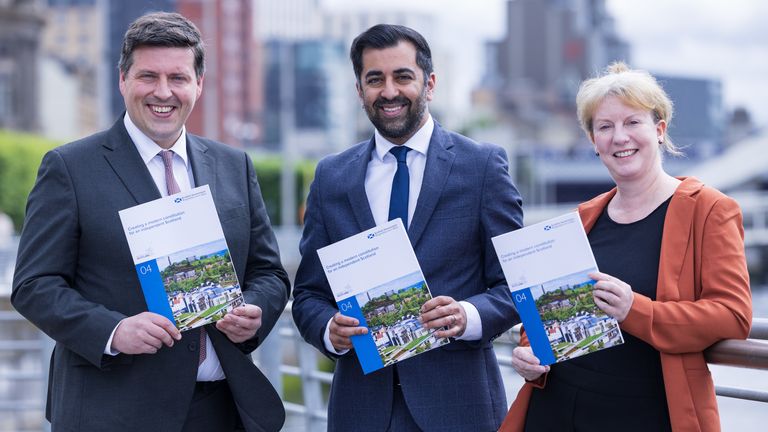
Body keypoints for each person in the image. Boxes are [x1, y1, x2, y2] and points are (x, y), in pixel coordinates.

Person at [12, 12, 289, 432]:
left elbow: (268, 272)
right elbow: (34, 285)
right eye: (148, 77)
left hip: (220, 410)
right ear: (123, 80)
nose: (163, 92)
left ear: (198, 83)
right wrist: (113, 330)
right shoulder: (69, 167)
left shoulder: (234, 165)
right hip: (113, 410)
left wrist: (256, 309)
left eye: (177, 78)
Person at [291, 24, 524, 432]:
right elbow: (309, 292)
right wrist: (329, 329)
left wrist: (466, 315)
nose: (389, 91)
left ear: (429, 83)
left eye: (402, 76)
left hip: (459, 407)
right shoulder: (331, 177)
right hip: (360, 409)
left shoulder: (482, 167)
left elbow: (516, 283)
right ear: (359, 90)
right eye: (374, 79)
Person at [499, 62, 753, 432]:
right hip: (554, 411)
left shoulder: (710, 209)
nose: (620, 137)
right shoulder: (581, 218)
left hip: (646, 414)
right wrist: (528, 353)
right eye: (605, 126)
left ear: (660, 130)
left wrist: (634, 309)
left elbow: (733, 315)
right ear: (594, 141)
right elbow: (544, 316)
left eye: (633, 122)